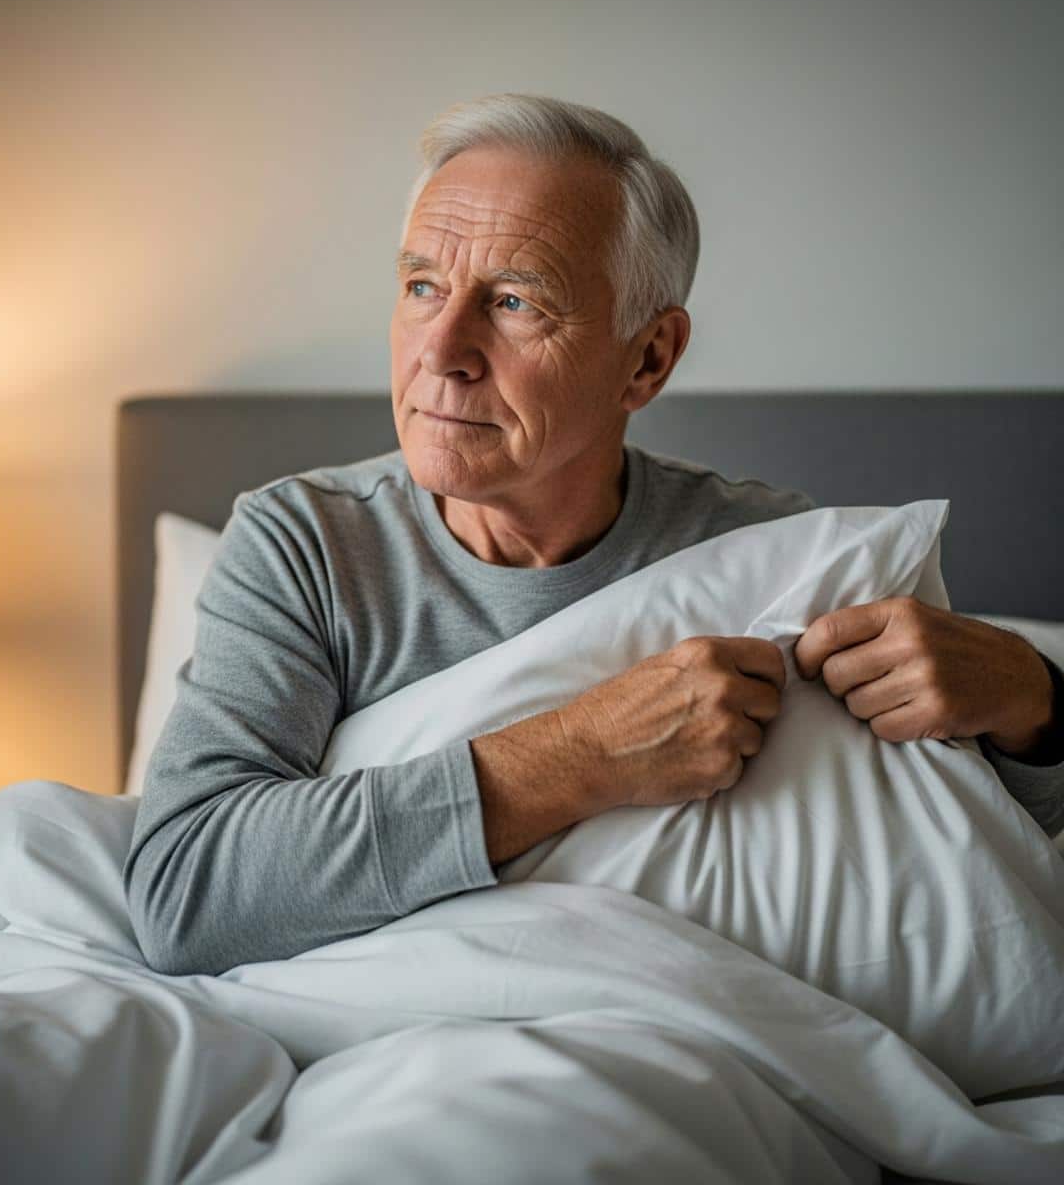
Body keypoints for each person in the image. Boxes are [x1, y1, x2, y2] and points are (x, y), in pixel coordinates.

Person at [124, 93, 1064, 976]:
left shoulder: (771, 561)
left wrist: (1035, 702)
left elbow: (972, 866)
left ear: (647, 358)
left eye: (513, 302)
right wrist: (578, 758)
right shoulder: (305, 546)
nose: (440, 353)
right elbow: (185, 892)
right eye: (420, 285)